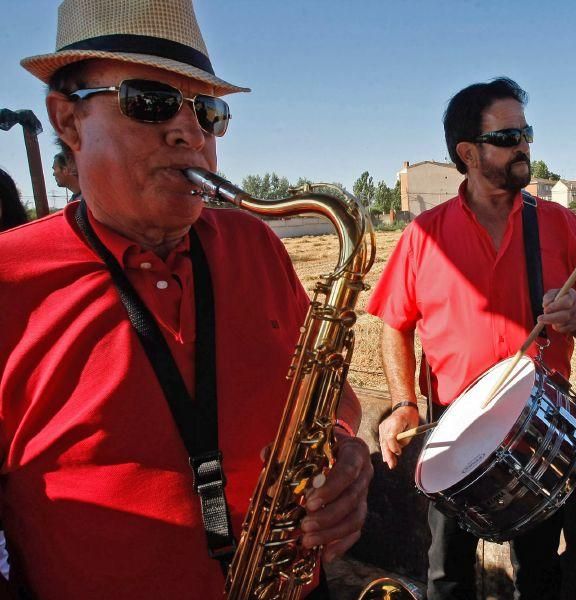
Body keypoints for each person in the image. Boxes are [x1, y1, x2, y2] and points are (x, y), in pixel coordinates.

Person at [0, 1, 372, 599]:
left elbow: (336, 400)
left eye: (208, 111)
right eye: (150, 101)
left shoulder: (257, 244)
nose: (190, 132)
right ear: (67, 120)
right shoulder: (7, 280)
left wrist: (343, 450)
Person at [367, 77, 576, 600]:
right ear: (468, 153)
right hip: (450, 427)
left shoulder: (558, 223)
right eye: (508, 137)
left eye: (526, 133)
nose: (524, 145)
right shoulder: (423, 235)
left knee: (540, 573)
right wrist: (401, 403)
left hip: (537, 425)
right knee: (446, 573)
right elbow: (393, 320)